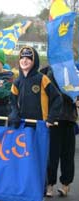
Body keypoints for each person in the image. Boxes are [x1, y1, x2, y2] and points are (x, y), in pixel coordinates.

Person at [40, 66, 77, 197]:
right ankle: (49, 184)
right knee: (52, 154)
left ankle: (66, 184)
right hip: (53, 119)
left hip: (69, 118)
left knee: (68, 154)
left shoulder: (73, 70)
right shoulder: (46, 71)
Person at [8, 46, 62, 129]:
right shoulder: (16, 82)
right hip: (22, 125)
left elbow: (57, 98)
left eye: (28, 58)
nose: (24, 60)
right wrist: (14, 113)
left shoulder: (42, 79)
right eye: (22, 58)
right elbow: (12, 102)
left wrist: (51, 117)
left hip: (41, 125)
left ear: (35, 61)